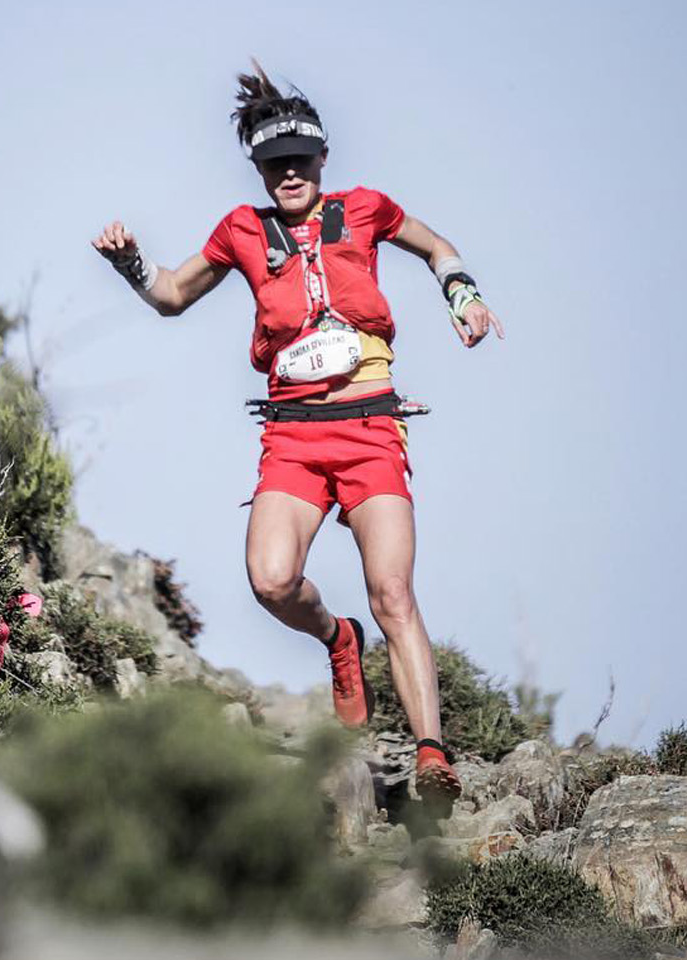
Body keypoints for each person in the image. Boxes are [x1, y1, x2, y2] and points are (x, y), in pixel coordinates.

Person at [90, 61, 503, 801]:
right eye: (273, 163)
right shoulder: (243, 231)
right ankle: (338, 639)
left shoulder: (366, 209)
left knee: (393, 592)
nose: (288, 174)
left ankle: (432, 756)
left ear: (322, 157)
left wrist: (463, 298)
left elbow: (438, 247)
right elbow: (172, 294)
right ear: (257, 168)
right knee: (271, 581)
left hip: (371, 429)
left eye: (299, 160)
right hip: (293, 436)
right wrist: (131, 264)